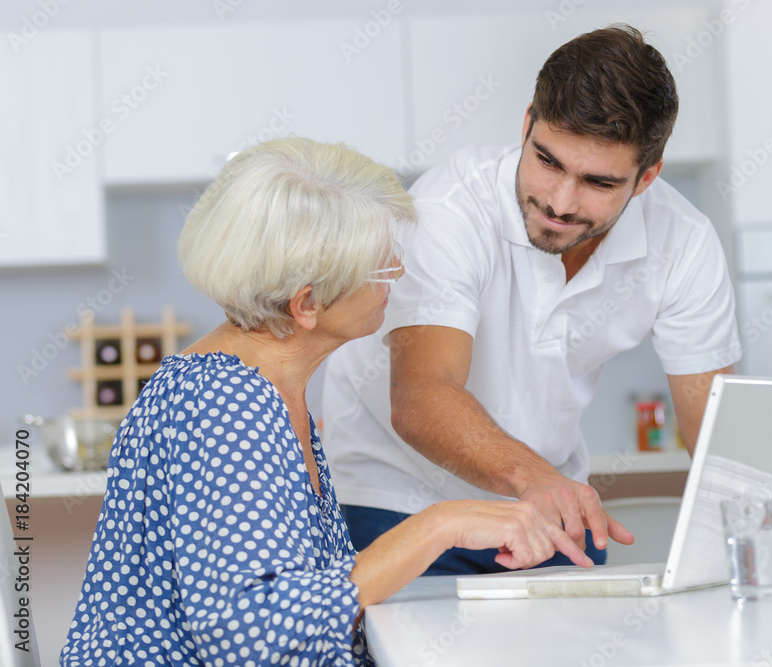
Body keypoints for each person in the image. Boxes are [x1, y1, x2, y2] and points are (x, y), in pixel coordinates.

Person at [60, 138, 592, 666]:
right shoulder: (224, 406)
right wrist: (442, 524)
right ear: (308, 303)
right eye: (382, 268)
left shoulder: (258, 388)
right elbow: (253, 635)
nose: (399, 275)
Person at [322, 24, 772, 575]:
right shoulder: (449, 210)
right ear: (526, 126)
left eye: (598, 182)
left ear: (646, 178)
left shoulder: (683, 242)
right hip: (394, 501)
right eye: (548, 161)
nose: (560, 202)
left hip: (549, 508)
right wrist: (534, 477)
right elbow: (421, 395)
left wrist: (766, 513)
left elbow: (713, 428)